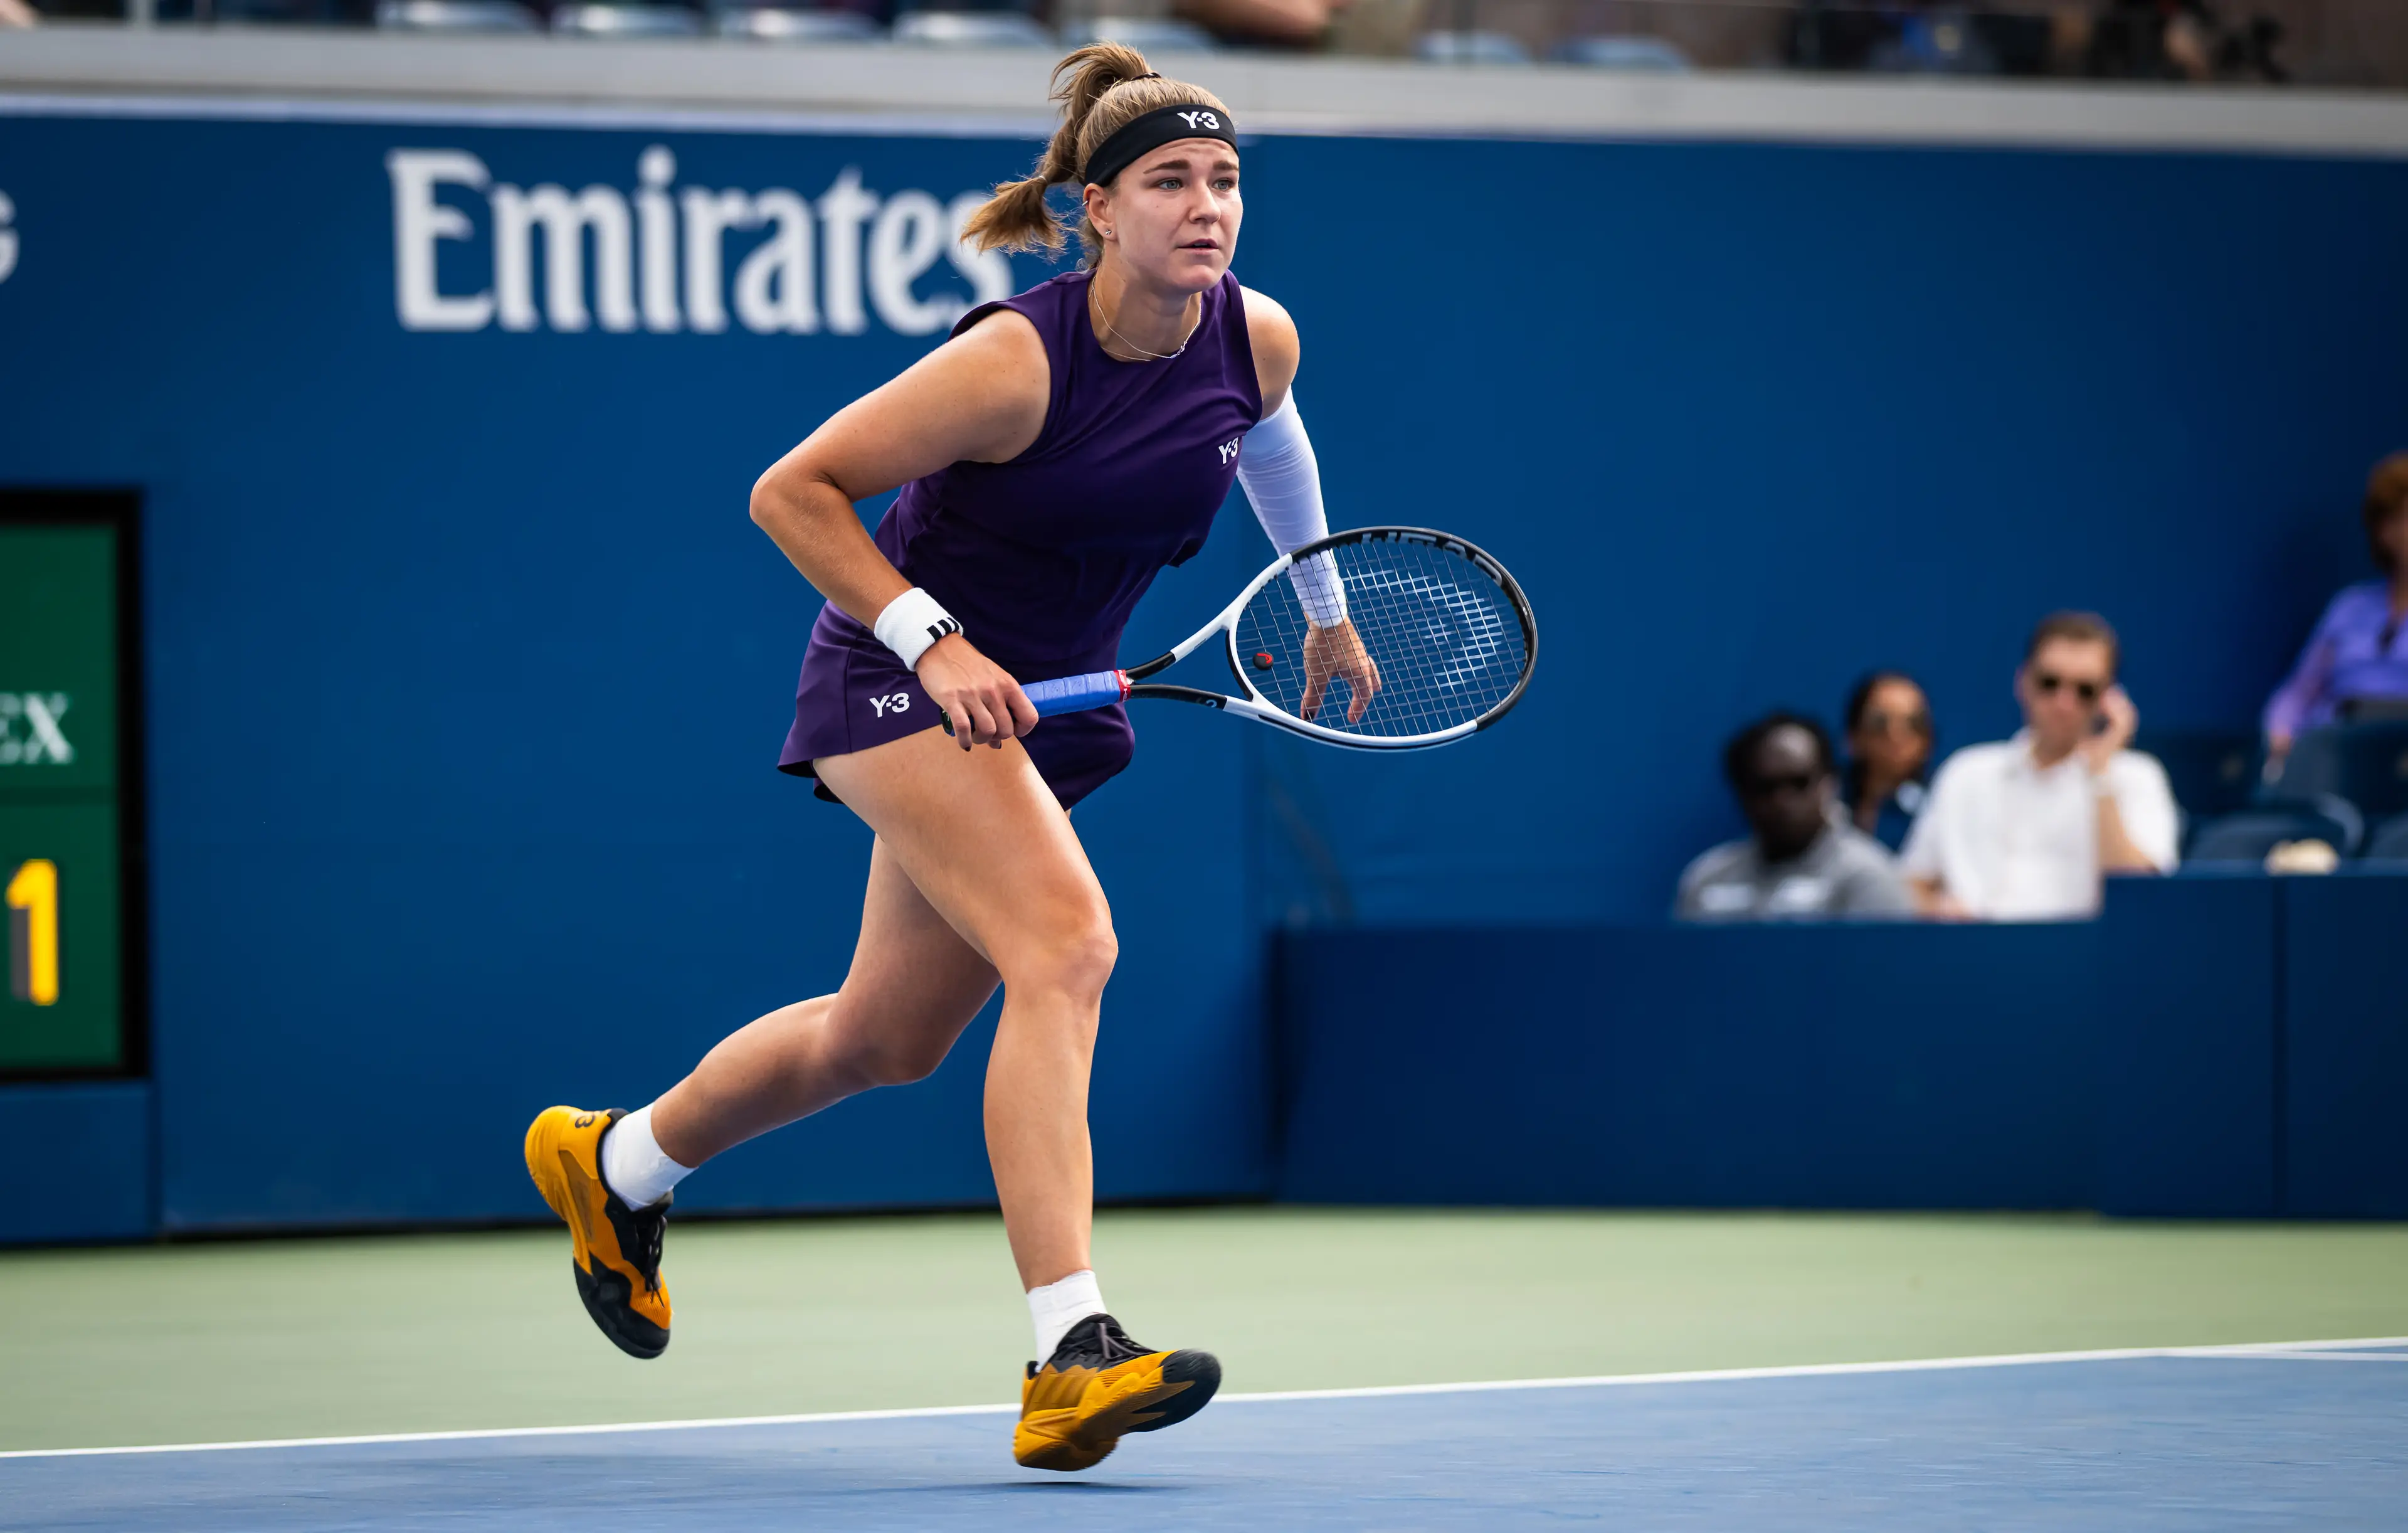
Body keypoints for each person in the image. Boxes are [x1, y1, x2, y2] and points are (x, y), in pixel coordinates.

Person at [520, 45, 1380, 1474]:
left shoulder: (1254, 335)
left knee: (885, 1037)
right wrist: (930, 639)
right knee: (1067, 947)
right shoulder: (1013, 361)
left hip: (1042, 703)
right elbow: (790, 492)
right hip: (896, 681)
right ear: (1095, 209)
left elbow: (1272, 448)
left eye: (1224, 181)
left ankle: (615, 1165)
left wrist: (1327, 612)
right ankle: (1069, 1349)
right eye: (1168, 181)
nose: (1205, 207)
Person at [1901, 612, 2178, 920]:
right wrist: (1940, 912)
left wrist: (2100, 775)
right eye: (2050, 683)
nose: (2064, 702)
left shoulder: (2136, 778)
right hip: (1971, 953)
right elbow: (1912, 884)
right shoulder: (1966, 773)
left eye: (2085, 690)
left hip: (2084, 957)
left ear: (2109, 698)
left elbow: (2140, 895)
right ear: (2024, 681)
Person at [1677, 711, 1914, 921]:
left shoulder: (1868, 876)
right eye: (1766, 787)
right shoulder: (1706, 880)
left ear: (1830, 784)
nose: (1783, 802)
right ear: (1742, 793)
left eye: (1799, 783)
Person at [2262, 452, 2408, 770]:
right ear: (2385, 531)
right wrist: (2280, 735)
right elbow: (2298, 693)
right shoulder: (2349, 608)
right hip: (2333, 760)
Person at [1839, 670, 1934, 852]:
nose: (1897, 736)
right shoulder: (1826, 802)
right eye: (1880, 723)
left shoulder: (1937, 810)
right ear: (1852, 735)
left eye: (1914, 723)